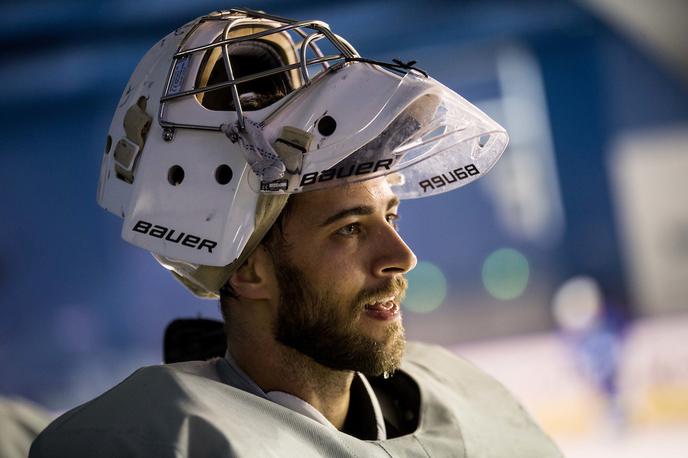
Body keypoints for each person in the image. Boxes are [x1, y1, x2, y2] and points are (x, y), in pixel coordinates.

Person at [31, 8, 562, 457]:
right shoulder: (157, 442)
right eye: (351, 228)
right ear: (250, 266)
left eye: (390, 217)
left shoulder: (458, 395)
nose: (401, 257)